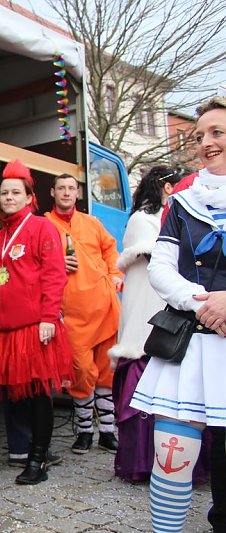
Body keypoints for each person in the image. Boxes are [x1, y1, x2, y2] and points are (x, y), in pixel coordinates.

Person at [130, 96, 226, 533]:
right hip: (193, 344)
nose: (206, 143)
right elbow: (162, 269)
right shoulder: (182, 203)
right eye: (201, 135)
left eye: (217, 133)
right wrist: (205, 303)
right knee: (173, 457)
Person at [0, 160, 72, 485]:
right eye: (4, 193)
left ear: (29, 197)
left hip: (33, 328)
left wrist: (49, 317)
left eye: (15, 192)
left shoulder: (42, 228)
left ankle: (37, 460)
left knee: (38, 394)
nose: (8, 197)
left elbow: (55, 276)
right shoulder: (1, 236)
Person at [107, 166, 186, 482]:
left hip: (163, 304)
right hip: (145, 309)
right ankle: (142, 461)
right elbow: (159, 259)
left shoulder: (163, 217)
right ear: (165, 187)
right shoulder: (143, 219)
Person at [45, 174, 123, 455]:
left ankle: (106, 432)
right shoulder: (44, 225)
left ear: (77, 193)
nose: (66, 193)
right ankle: (84, 431)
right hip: (72, 312)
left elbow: (111, 249)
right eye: (61, 188)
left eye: (71, 188)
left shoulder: (92, 223)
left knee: (106, 373)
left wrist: (116, 276)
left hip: (105, 306)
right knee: (81, 372)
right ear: (52, 192)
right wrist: (55, 262)